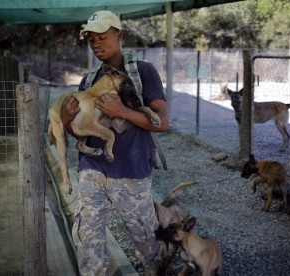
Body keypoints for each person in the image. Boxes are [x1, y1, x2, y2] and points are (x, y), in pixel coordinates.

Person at [61, 10, 169, 276]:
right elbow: (82, 133)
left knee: (148, 243)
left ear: (119, 35)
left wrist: (121, 111)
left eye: (102, 37)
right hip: (91, 171)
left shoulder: (142, 72)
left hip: (131, 173)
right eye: (91, 40)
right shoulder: (88, 80)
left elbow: (163, 123)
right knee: (87, 243)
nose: (97, 44)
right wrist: (67, 122)